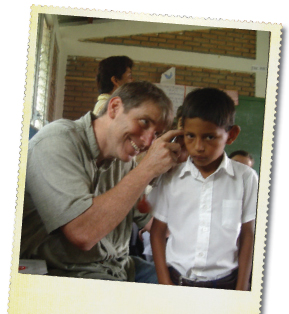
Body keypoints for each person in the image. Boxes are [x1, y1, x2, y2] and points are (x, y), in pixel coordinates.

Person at [20, 81, 185, 283]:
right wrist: (147, 169)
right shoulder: (56, 141)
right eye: (144, 122)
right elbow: (83, 233)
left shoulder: (125, 164)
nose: (148, 142)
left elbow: (164, 227)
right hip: (65, 273)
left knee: (189, 288)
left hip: (120, 268)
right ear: (114, 107)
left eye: (157, 134)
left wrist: (178, 173)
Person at [148, 88, 258, 291]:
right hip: (176, 281)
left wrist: (242, 287)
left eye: (209, 137)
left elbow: (247, 234)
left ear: (231, 135)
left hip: (226, 284)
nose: (198, 146)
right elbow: (157, 232)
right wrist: (164, 282)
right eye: (190, 136)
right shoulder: (171, 176)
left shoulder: (246, 178)